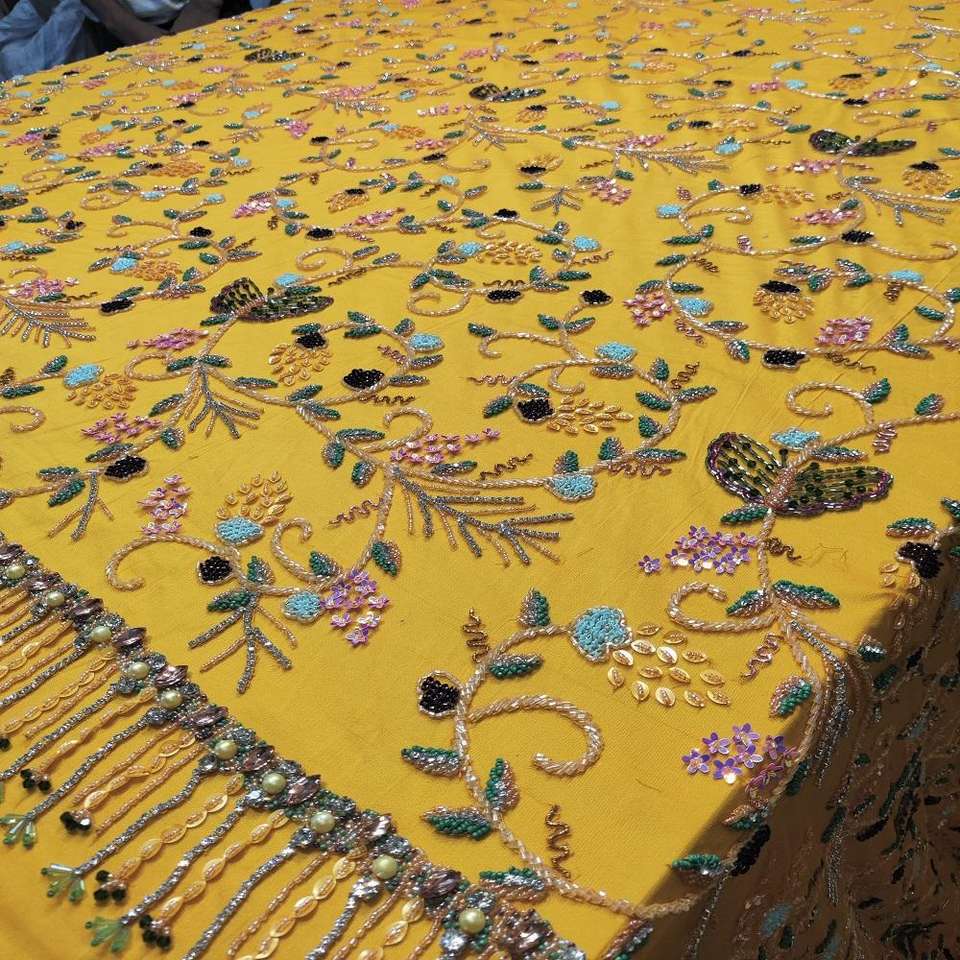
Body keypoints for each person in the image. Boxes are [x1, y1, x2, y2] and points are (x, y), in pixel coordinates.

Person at [0, 0, 268, 81]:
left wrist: (204, 7)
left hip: (211, 15)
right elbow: (110, 16)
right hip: (117, 28)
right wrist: (122, 25)